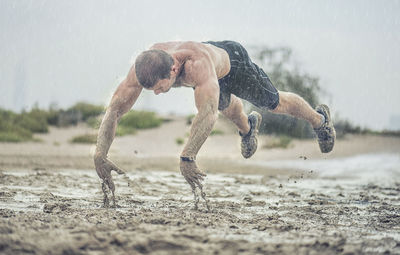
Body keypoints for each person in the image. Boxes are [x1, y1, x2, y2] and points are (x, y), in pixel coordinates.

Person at [94, 40, 336, 209]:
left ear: (173, 69)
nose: (157, 93)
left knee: (274, 103)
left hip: (235, 64)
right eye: (153, 89)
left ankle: (320, 121)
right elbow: (115, 108)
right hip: (213, 70)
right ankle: (248, 129)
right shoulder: (148, 64)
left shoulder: (197, 67)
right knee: (225, 106)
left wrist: (188, 157)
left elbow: (207, 115)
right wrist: (99, 154)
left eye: (160, 87)